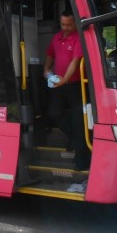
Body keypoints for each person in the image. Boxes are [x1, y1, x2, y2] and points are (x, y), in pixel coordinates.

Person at [43, 10, 90, 171]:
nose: (65, 27)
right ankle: (73, 139)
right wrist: (46, 68)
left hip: (76, 85)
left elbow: (75, 62)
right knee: (53, 114)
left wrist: (65, 79)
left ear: (75, 23)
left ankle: (81, 162)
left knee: (79, 123)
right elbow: (50, 54)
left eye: (69, 24)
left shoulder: (79, 37)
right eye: (63, 24)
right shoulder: (56, 37)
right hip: (58, 84)